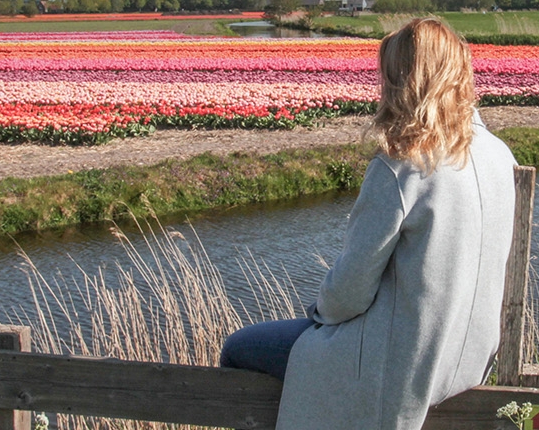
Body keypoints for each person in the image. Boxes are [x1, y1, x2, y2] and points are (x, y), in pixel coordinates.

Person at [218, 16, 518, 429]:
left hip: (405, 367)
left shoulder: (405, 167)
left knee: (239, 347)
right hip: (467, 360)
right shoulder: (499, 155)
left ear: (404, 82)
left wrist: (319, 313)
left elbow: (347, 295)